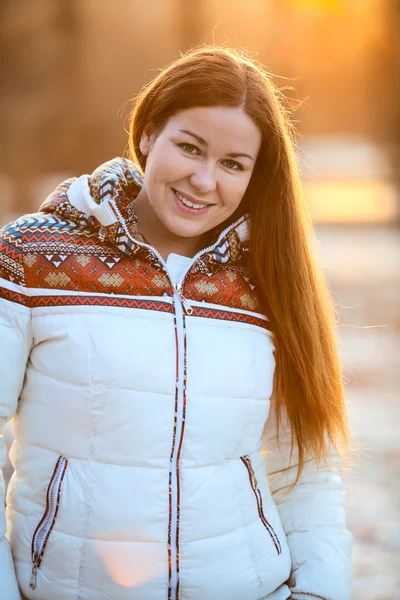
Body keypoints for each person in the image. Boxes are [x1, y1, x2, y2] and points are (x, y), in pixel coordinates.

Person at [0, 46, 352, 600]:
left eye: (233, 164)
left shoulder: (269, 279)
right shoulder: (30, 257)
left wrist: (319, 592)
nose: (204, 180)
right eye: (189, 148)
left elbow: (305, 470)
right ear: (147, 135)